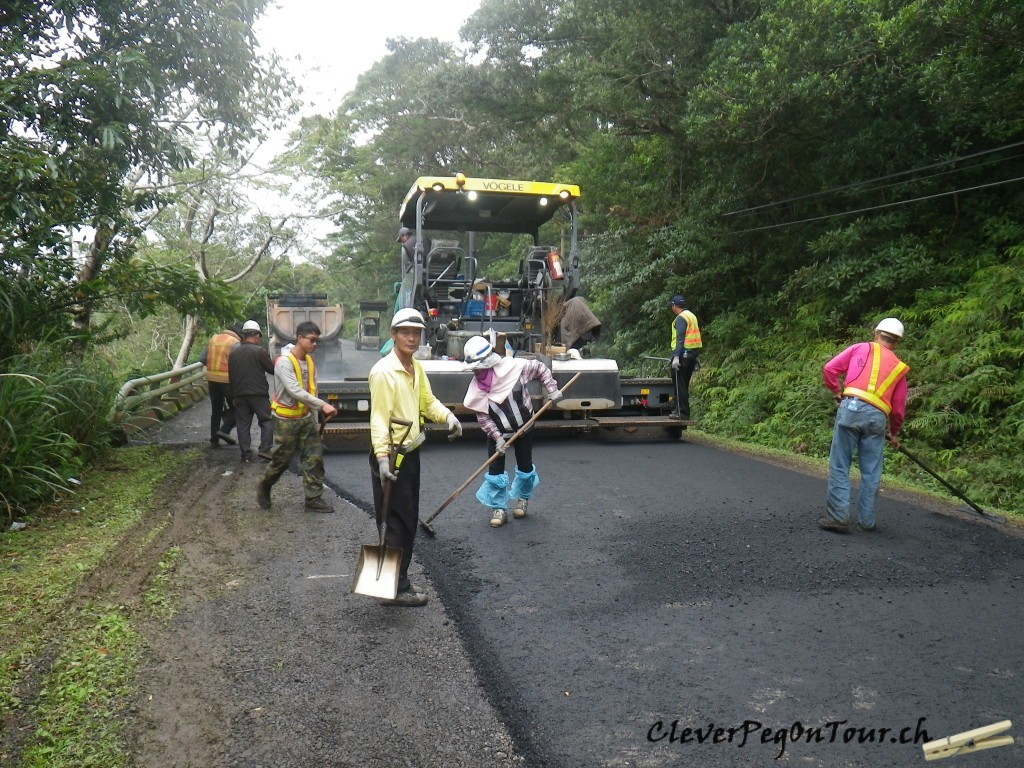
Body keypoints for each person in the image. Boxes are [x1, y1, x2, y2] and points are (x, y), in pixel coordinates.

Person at [368, 308, 462, 606]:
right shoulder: (384, 372)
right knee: (396, 522)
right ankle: (395, 588)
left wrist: (447, 416)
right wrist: (383, 459)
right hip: (392, 457)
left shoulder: (414, 367)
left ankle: (394, 582)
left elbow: (426, 401)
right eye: (405, 332)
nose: (411, 337)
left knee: (405, 520)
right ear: (393, 335)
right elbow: (379, 419)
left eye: (416, 332)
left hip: (409, 454)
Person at [462, 335, 563, 528]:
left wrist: (552, 389)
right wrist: (497, 437)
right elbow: (483, 417)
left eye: (478, 367)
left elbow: (540, 368)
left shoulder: (514, 369)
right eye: (474, 368)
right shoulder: (476, 390)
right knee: (495, 471)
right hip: (498, 434)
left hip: (524, 427)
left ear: (488, 363)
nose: (476, 372)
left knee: (525, 465)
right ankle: (499, 509)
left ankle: (523, 500)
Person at [819, 317, 909, 533]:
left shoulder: (861, 348)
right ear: (896, 342)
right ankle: (866, 521)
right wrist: (894, 433)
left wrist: (836, 391)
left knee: (840, 464)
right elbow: (898, 409)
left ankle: (838, 518)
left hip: (851, 408)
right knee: (871, 471)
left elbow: (829, 369)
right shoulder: (899, 368)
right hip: (877, 418)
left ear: (876, 333)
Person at [256, 321, 338, 513]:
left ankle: (313, 498)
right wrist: (324, 405)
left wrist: (316, 423)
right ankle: (264, 485)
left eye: (317, 341)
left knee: (314, 458)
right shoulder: (284, 363)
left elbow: (312, 391)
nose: (314, 344)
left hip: (305, 419)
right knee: (281, 462)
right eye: (311, 340)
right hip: (285, 420)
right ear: (299, 338)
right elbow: (295, 391)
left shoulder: (309, 362)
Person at [228, 320, 275, 463]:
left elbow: (231, 374)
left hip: (239, 394)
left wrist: (233, 395)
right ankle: (265, 450)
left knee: (243, 424)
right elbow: (272, 370)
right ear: (256, 335)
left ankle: (246, 455)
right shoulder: (259, 351)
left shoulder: (233, 353)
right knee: (266, 421)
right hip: (258, 395)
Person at [200, 323, 242, 446]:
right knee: (240, 407)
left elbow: (203, 359)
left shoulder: (212, 339)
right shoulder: (234, 343)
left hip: (212, 379)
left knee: (216, 410)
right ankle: (224, 430)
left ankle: (214, 440)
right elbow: (239, 364)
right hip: (228, 381)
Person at [667, 294, 702, 420]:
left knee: (679, 385)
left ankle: (681, 413)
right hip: (691, 354)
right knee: (684, 385)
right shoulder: (691, 316)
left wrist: (676, 357)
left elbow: (680, 338)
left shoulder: (681, 318)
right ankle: (683, 412)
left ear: (674, 306)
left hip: (683, 355)